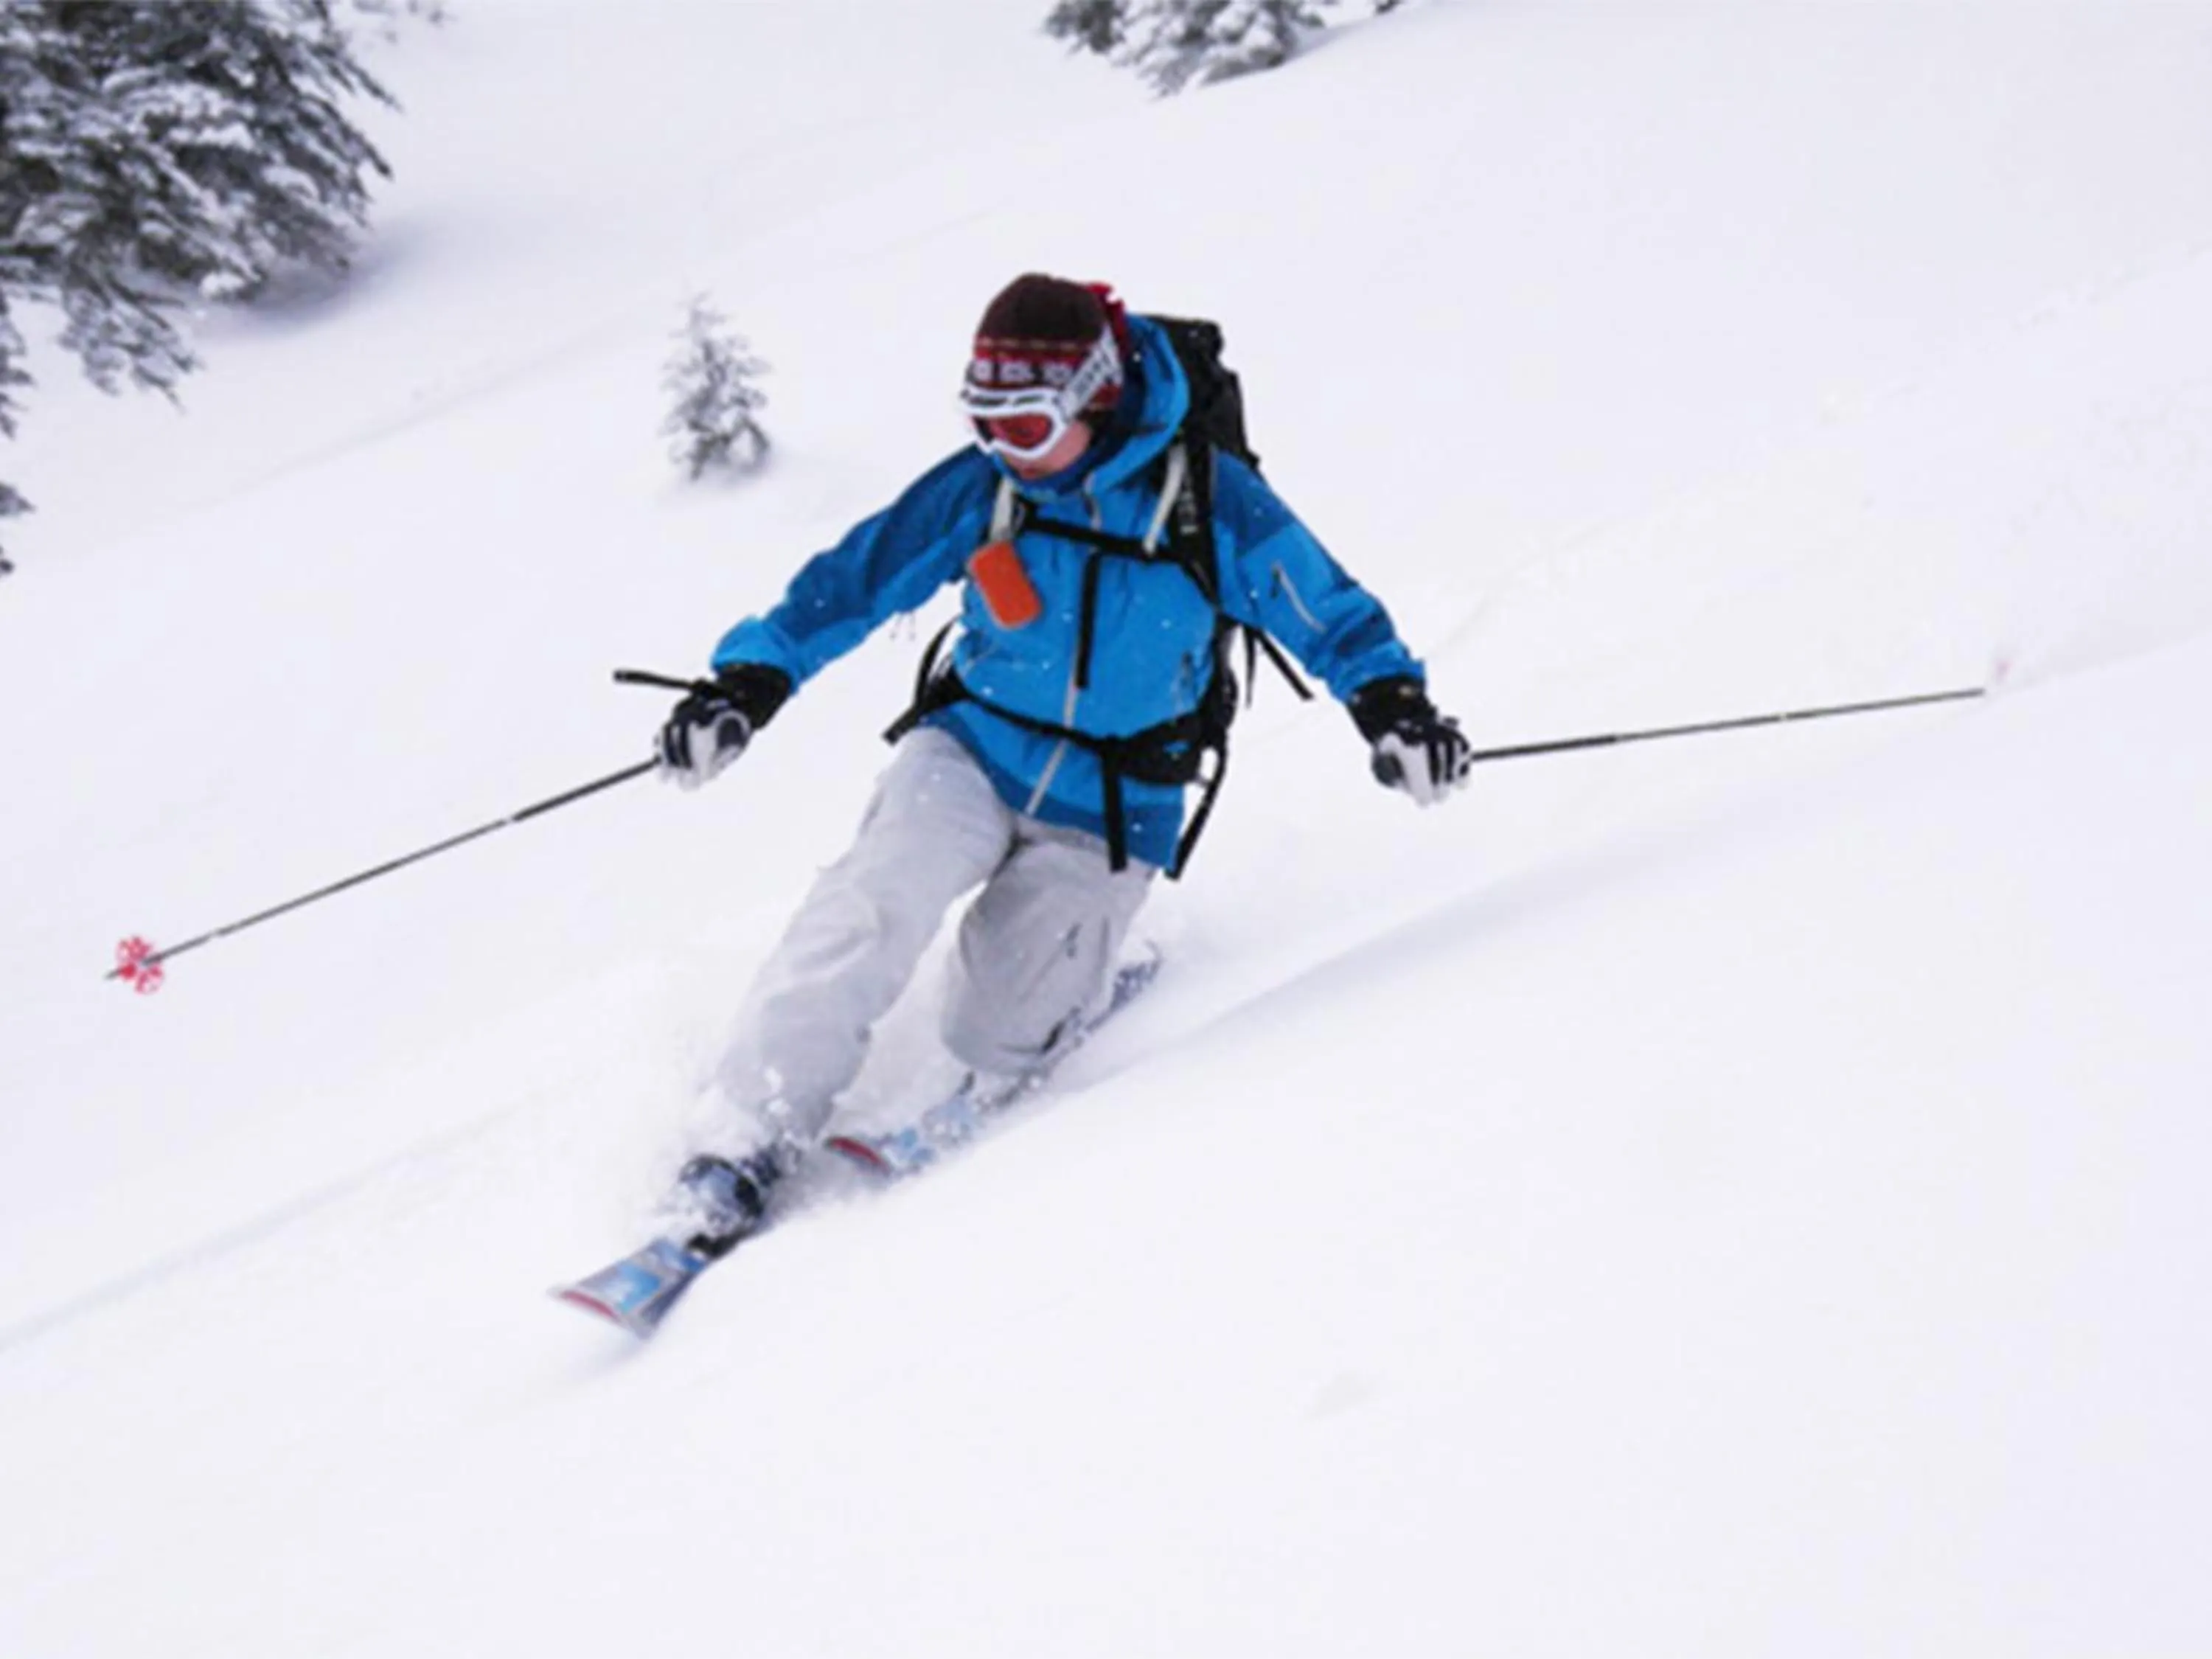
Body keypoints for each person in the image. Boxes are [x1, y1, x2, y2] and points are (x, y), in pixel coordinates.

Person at [651, 273, 1472, 1254]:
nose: (1005, 448)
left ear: (1094, 398)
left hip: (1115, 799)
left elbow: (1328, 610)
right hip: (971, 747)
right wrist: (748, 682)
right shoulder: (989, 487)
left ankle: (1062, 991)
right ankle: (741, 1137)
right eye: (985, 422)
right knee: (870, 902)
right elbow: (853, 581)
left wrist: (1395, 709)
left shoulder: (1205, 500)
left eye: (1028, 426)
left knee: (994, 1028)